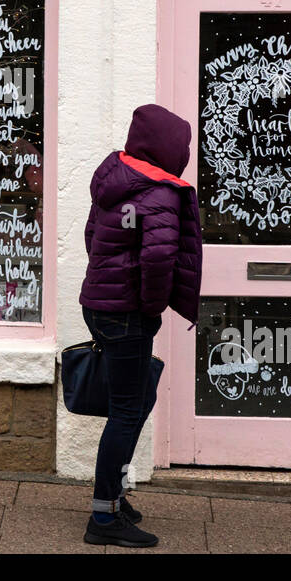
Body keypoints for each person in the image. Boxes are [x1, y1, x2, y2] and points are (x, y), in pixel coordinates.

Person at [78, 103, 202, 547]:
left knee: (131, 404)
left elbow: (92, 236)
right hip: (128, 313)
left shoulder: (113, 179)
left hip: (101, 305)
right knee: (128, 412)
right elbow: (158, 258)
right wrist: (150, 308)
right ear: (170, 147)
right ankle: (104, 518)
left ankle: (113, 499)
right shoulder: (160, 193)